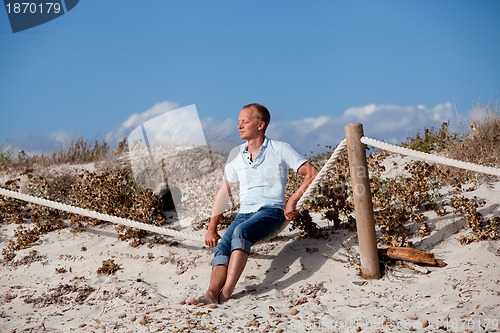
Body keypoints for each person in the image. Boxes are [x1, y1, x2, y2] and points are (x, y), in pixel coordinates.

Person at [186, 103, 318, 305]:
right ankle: (211, 294)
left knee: (240, 233)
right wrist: (211, 228)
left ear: (260, 125)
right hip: (243, 214)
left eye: (244, 122)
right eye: (238, 122)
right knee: (222, 246)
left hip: (271, 212)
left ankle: (226, 293)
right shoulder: (236, 154)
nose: (239, 126)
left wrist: (292, 200)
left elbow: (312, 173)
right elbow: (224, 192)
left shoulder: (280, 148)